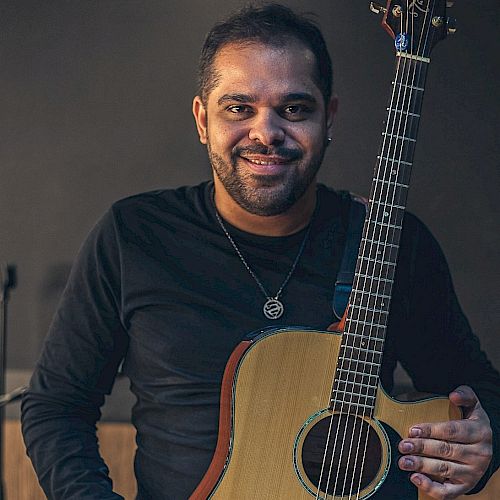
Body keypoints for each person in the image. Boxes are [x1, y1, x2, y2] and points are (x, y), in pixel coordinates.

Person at [21, 4, 499, 500]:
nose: (265, 133)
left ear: (328, 117)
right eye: (238, 108)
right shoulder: (134, 235)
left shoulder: (393, 241)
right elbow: (57, 406)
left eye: (294, 109)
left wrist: (485, 443)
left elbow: (478, 392)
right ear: (203, 119)